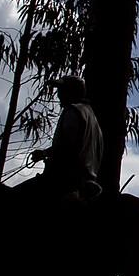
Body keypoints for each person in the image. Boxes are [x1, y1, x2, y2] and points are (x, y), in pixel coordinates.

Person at [31, 75, 104, 205]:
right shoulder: (94, 122)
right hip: (87, 183)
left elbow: (66, 147)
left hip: (64, 182)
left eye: (61, 90)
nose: (58, 95)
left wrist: (43, 154)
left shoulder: (73, 111)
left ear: (70, 92)